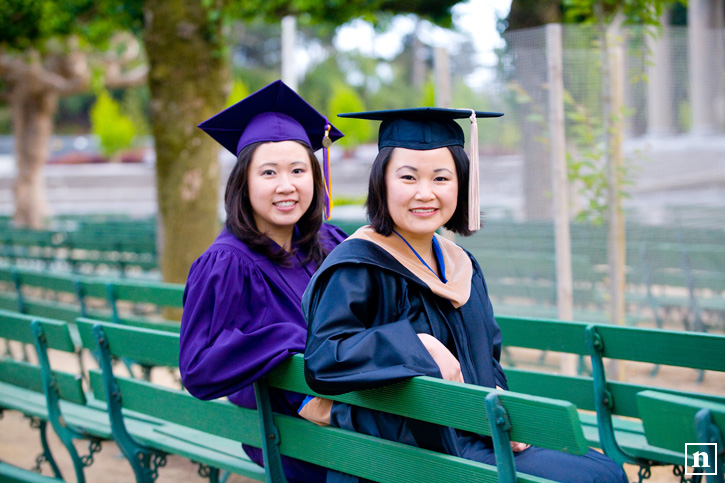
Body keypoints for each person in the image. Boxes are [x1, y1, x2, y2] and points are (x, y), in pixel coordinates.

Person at [302, 107, 628, 483]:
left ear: (461, 185)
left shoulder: (461, 265)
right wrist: (416, 345)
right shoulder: (358, 265)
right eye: (408, 177)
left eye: (442, 177)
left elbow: (488, 359)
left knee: (603, 470)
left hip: (474, 434)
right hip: (409, 452)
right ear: (382, 183)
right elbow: (324, 358)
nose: (425, 193)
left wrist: (508, 414)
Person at [179, 80, 347, 483]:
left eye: (298, 170)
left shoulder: (332, 242)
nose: (286, 186)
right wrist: (288, 339)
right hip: (290, 438)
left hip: (348, 418)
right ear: (245, 182)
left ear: (315, 177)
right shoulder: (226, 264)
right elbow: (199, 366)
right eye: (268, 172)